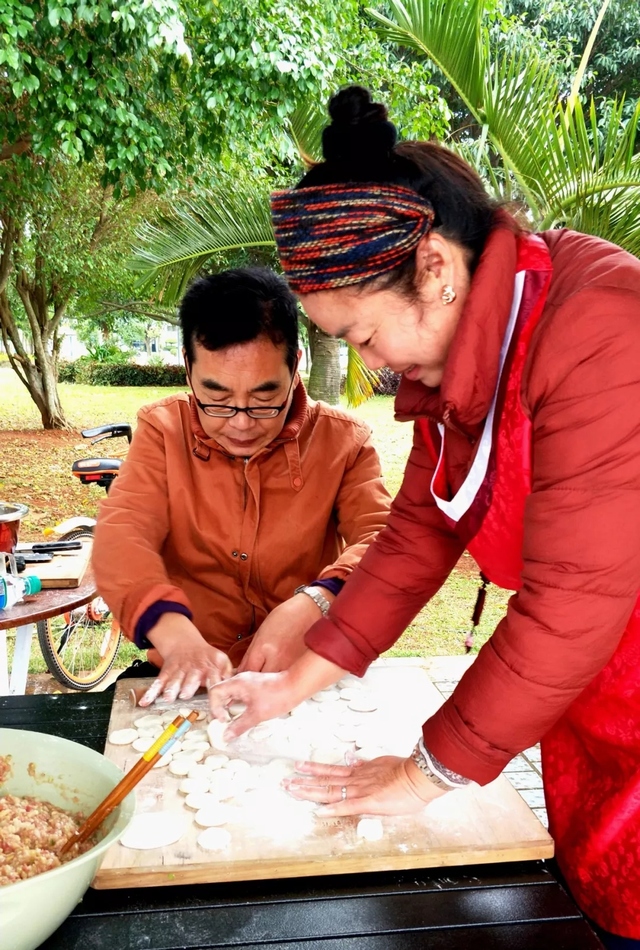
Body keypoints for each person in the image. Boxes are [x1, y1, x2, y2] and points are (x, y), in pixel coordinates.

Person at [206, 88, 640, 947]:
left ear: (435, 269)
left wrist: (425, 772)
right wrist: (298, 679)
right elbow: (420, 532)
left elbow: (574, 602)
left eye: (363, 334)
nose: (367, 362)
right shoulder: (463, 361)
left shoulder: (600, 326)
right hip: (584, 696)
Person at [92, 265, 391, 706]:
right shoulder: (161, 430)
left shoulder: (345, 441)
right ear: (187, 366)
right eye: (216, 400)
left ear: (295, 365)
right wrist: (178, 639)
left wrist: (318, 603)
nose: (241, 424)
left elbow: (384, 539)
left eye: (265, 399)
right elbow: (124, 535)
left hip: (304, 676)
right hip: (185, 676)